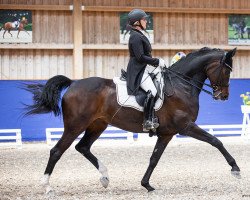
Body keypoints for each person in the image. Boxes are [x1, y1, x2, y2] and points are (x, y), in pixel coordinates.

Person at [126, 8, 165, 133]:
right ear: (137, 22)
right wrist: (157, 61)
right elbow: (140, 57)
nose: (146, 22)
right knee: (152, 91)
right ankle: (148, 121)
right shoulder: (135, 37)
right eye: (144, 20)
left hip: (144, 68)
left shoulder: (139, 34)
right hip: (138, 70)